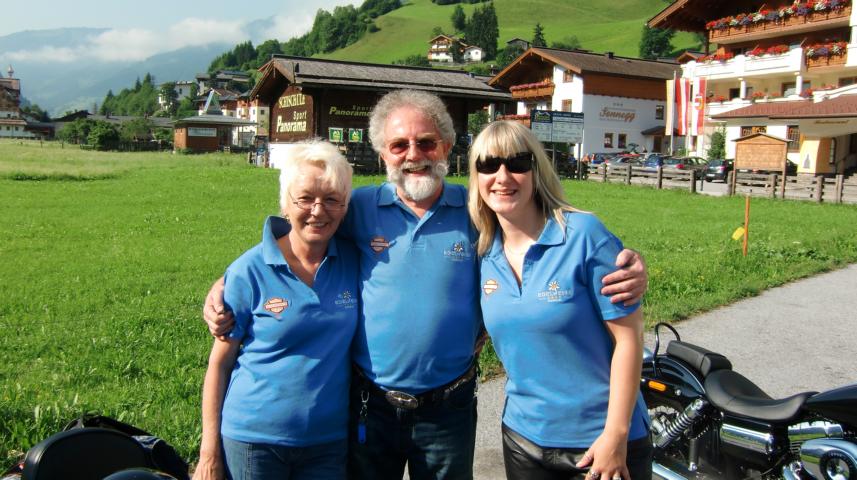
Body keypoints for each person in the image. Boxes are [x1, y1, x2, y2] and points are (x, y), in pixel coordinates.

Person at [203, 89, 649, 480]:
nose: (413, 154)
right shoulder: (359, 208)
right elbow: (303, 229)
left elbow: (540, 231)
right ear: (383, 154)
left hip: (448, 409)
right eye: (399, 145)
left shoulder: (477, 212)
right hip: (371, 405)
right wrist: (227, 283)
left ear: (447, 148)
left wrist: (631, 264)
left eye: (426, 142)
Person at [467, 120, 652, 480]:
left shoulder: (583, 235)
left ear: (536, 170)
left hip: (599, 441)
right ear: (476, 177)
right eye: (489, 165)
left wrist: (615, 435)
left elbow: (629, 339)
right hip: (523, 438)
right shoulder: (483, 252)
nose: (502, 177)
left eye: (517, 163)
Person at [192, 140, 358, 480]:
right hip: (254, 441)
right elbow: (219, 364)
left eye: (331, 199)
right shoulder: (249, 270)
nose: (318, 211)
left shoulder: (355, 261)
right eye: (305, 198)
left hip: (328, 441)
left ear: (345, 207)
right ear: (285, 203)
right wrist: (208, 453)